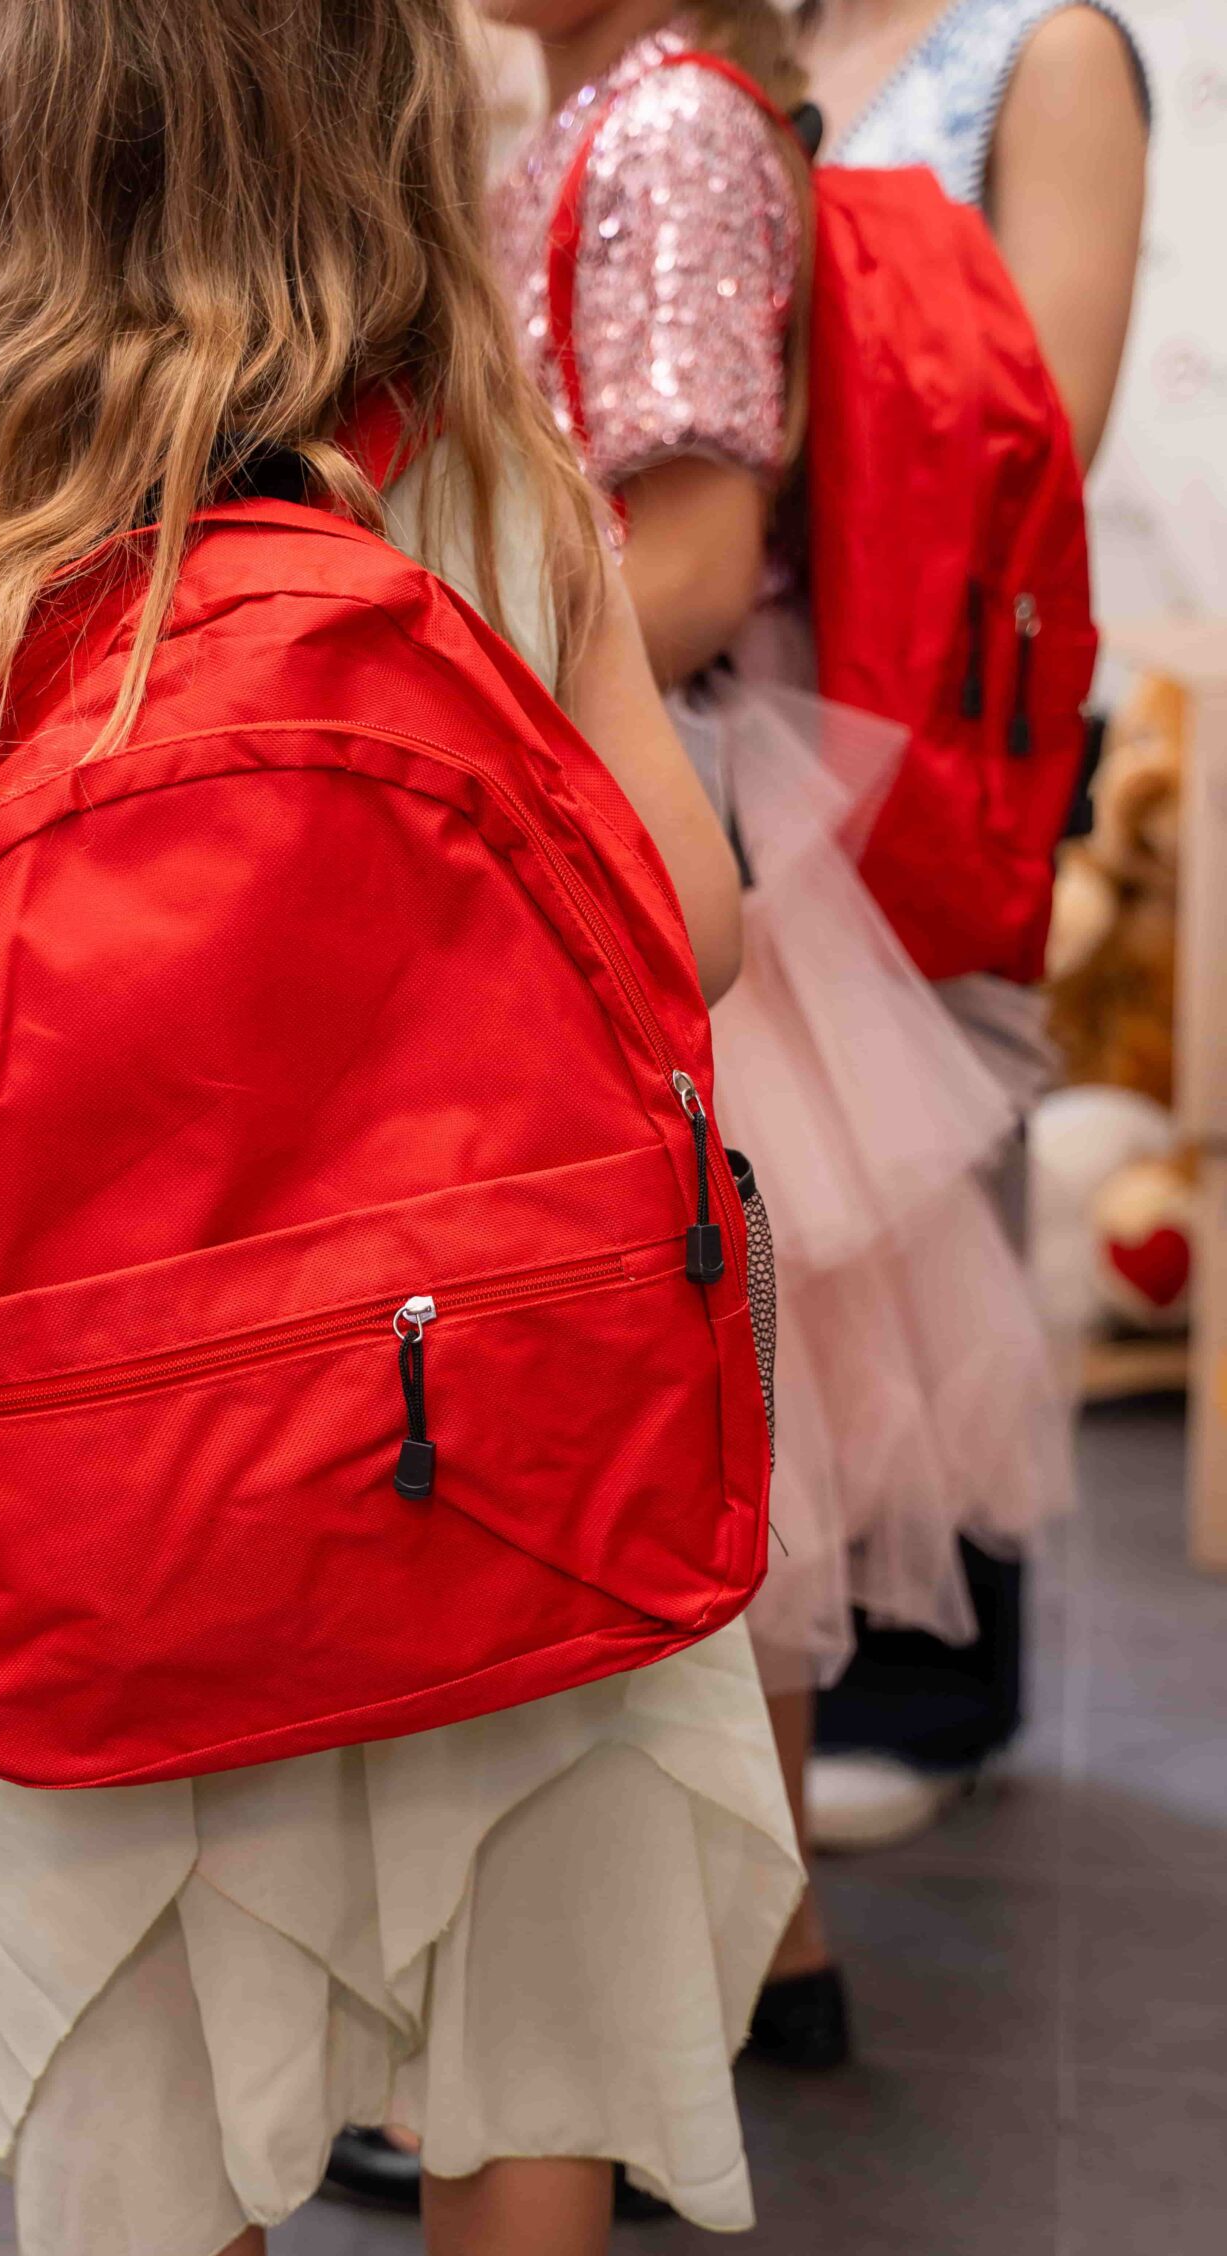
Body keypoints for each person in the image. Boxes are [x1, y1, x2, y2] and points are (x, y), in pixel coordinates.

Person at [0, 4, 804, 2256]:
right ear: (389, 131)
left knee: (138, 2076)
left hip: (98, 1466)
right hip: (490, 1436)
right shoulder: (487, 462)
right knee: (529, 2020)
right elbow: (687, 929)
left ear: (10, 144)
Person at [483, 0, 1072, 2064]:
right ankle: (763, 1946)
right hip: (664, 785)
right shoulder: (630, 113)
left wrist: (423, 656)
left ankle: (727, 1961)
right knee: (750, 1389)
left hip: (665, 801)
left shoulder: (664, 129)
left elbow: (695, 563)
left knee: (724, 1393)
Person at [799, 0, 1150, 1853]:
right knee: (795, 1186)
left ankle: (928, 1677)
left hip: (937, 695)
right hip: (762, 659)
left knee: (930, 1176)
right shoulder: (745, 37)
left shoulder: (1043, 47)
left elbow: (1046, 422)